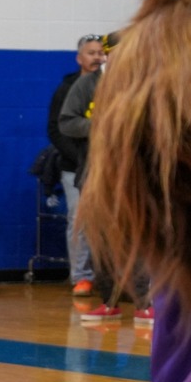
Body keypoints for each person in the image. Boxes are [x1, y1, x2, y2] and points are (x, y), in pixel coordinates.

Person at [59, 32, 153, 325]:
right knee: (101, 240)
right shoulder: (87, 84)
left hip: (135, 175)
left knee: (135, 238)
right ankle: (109, 301)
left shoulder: (144, 85)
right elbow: (67, 122)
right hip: (97, 175)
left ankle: (143, 303)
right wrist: (101, 125)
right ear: (107, 56)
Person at [46, 34, 105, 296]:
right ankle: (81, 276)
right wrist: (82, 155)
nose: (96, 57)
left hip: (108, 168)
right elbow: (57, 129)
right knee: (79, 221)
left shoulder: (117, 85)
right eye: (90, 53)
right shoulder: (69, 88)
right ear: (79, 58)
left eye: (99, 52)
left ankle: (111, 277)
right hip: (75, 166)